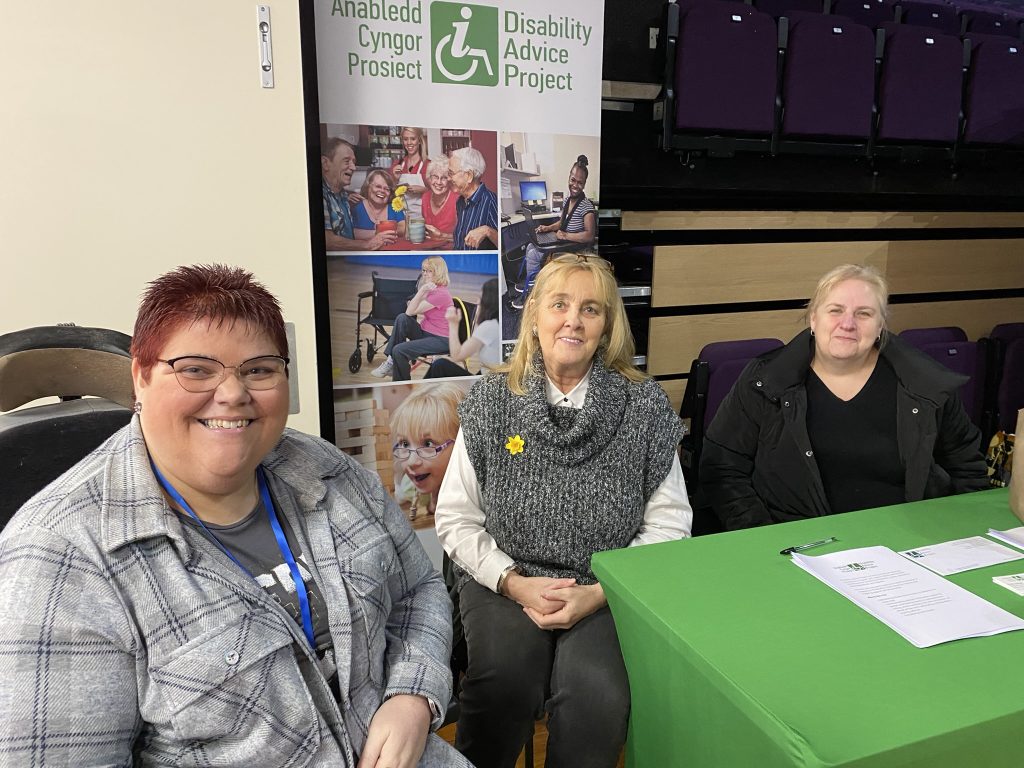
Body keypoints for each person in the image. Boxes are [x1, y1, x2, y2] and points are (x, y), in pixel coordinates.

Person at [0, 264, 469, 768]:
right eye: (196, 369)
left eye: (259, 369)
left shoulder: (327, 469)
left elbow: (419, 589)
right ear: (140, 376)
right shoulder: (60, 558)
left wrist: (413, 695)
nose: (233, 394)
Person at [434, 253, 693, 768]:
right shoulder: (490, 400)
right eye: (560, 304)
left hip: (606, 585)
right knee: (503, 681)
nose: (573, 319)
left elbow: (670, 524)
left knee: (597, 697)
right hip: (505, 580)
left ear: (607, 326)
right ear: (535, 315)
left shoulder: (644, 407)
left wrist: (601, 593)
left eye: (590, 309)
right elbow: (456, 518)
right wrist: (513, 582)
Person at [700, 263, 989, 531]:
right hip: (795, 545)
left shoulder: (924, 383)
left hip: (906, 543)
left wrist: (955, 535)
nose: (848, 324)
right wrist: (763, 536)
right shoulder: (764, 380)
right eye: (835, 310)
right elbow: (724, 469)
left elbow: (967, 467)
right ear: (813, 318)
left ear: (880, 326)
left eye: (864, 313)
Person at [513, 154, 597, 310]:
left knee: (533, 253)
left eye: (580, 182)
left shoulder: (586, 206)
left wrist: (565, 235)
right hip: (564, 241)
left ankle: (532, 294)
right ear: (569, 178)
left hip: (574, 247)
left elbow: (589, 235)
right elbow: (563, 222)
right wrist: (548, 228)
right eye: (573, 180)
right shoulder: (567, 200)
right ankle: (532, 284)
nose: (575, 185)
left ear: (584, 184)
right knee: (531, 247)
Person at [371, 256, 455, 381]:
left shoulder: (440, 293)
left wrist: (421, 292)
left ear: (438, 272)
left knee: (399, 350)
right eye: (424, 270)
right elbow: (408, 311)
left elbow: (411, 310)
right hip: (425, 332)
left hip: (441, 340)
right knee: (402, 318)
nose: (425, 274)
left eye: (429, 271)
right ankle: (391, 361)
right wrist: (420, 295)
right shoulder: (431, 289)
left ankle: (401, 382)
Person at [390, 382, 465, 520]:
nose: (412, 462)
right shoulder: (411, 485)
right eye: (404, 444)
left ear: (462, 444)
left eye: (428, 444)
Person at [321, 137, 395, 251]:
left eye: (353, 162)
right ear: (325, 163)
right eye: (346, 161)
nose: (353, 167)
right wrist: (366, 245)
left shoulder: (343, 195)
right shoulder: (322, 195)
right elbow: (327, 240)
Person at [425, 277, 500, 379]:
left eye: (481, 297)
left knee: (440, 365)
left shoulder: (489, 327)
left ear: (489, 301)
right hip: (490, 379)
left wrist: (453, 324)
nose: (478, 301)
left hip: (486, 387)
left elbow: (457, 356)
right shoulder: (497, 325)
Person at [449, 147, 498, 251]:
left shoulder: (490, 201)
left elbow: (503, 246)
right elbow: (463, 241)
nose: (449, 178)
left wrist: (487, 231)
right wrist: (440, 235)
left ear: (469, 176)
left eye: (451, 173)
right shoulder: (460, 202)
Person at [353, 168, 407, 240]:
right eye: (378, 186)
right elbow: (350, 233)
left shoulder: (394, 207)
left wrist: (373, 232)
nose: (382, 191)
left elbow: (402, 229)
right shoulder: (356, 207)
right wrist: (378, 233)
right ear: (368, 187)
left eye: (387, 189)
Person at [390, 127, 427, 219]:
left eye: (413, 139)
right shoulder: (397, 164)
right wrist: (395, 179)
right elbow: (388, 193)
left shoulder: (428, 165)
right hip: (401, 218)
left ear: (419, 141)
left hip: (422, 218)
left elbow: (438, 193)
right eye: (406, 139)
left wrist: (423, 190)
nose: (409, 143)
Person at [423, 155, 458, 242]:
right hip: (428, 250)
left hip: (451, 252)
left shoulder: (457, 200)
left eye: (444, 178)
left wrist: (442, 236)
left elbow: (466, 237)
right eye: (435, 176)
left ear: (450, 180)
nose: (439, 182)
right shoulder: (425, 197)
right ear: (429, 178)